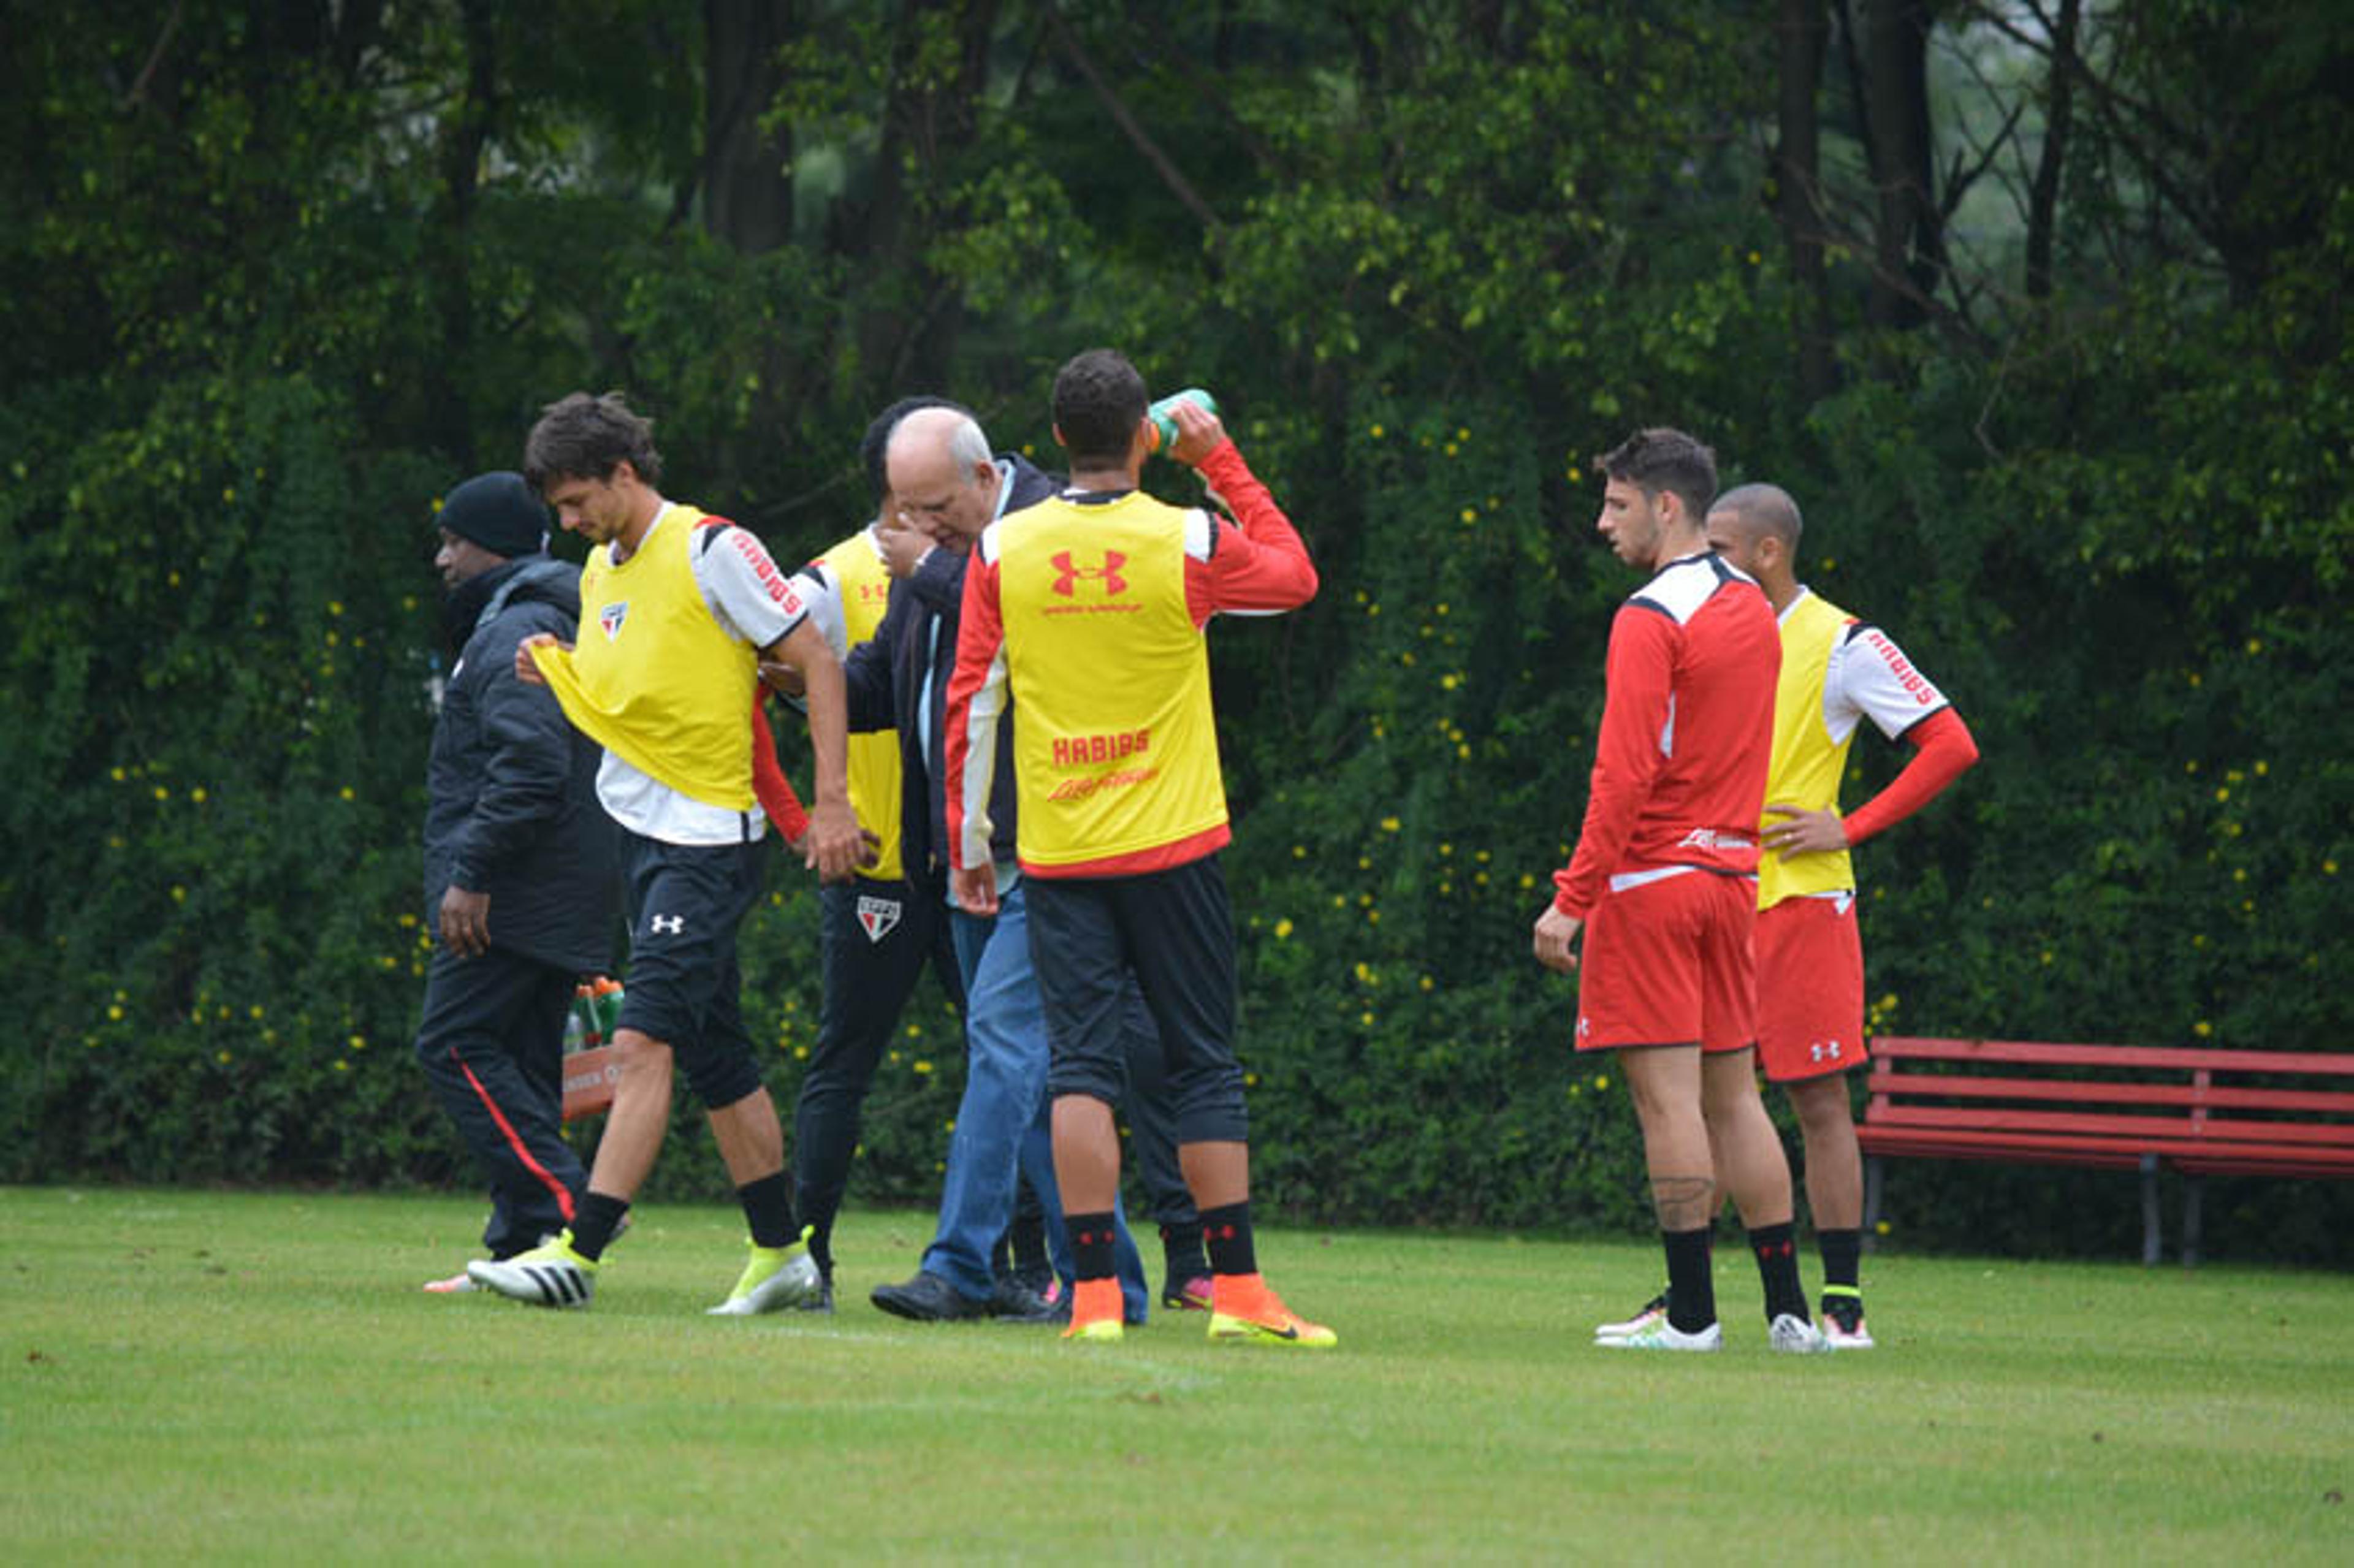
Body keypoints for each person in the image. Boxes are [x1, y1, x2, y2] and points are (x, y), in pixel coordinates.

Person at [943, 348, 1332, 1347]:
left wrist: (972, 842)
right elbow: (1296, 578)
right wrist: (1226, 463)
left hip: (1064, 852)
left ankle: (1098, 1299)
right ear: (1144, 438)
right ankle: (1237, 1293)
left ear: (1061, 437)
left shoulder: (1002, 550)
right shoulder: (1191, 539)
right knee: (1202, 1063)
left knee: (1080, 1071)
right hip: (1174, 843)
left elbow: (973, 700)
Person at [467, 392, 867, 1313]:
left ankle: (579, 1249)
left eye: (578, 503)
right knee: (717, 1051)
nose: (568, 525)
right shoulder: (603, 567)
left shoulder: (711, 548)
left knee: (645, 1038)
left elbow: (815, 660)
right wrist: (556, 665)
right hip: (642, 840)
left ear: (625, 472)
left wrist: (830, 806)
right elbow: (642, 684)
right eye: (559, 511)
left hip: (707, 842)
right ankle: (782, 1254)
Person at [1594, 482, 1979, 1350]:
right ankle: (1692, 1292)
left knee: (1814, 1099)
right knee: (1713, 1102)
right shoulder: (1707, 629)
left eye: (1723, 547)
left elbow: (1951, 742)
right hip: (1718, 890)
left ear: (1769, 552)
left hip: (1800, 900)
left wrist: (1850, 823)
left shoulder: (1842, 641)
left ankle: (1840, 1300)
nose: (1707, 561)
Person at [845, 402, 1153, 1325]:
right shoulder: (932, 549)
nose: (919, 524)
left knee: (1006, 1049)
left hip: (1051, 843)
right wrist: (781, 662)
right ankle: (1113, 1282)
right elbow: (878, 686)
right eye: (903, 508)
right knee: (1024, 1076)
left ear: (985, 479)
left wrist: (933, 569)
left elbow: (1040, 635)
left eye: (934, 505)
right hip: (966, 854)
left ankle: (960, 1267)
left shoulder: (1048, 527)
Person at [1529, 428, 1827, 1354]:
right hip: (1732, 879)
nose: (1601, 522)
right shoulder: (1751, 607)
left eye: (1617, 504)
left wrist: (1572, 897)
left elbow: (1623, 776)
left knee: (1669, 1107)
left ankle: (1693, 1315)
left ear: (1668, 507)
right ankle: (1790, 1311)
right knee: (1737, 1098)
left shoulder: (1649, 616)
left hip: (1653, 883)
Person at [782, 397, 973, 1310]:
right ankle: (805, 1256)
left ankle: (1010, 1264)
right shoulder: (830, 576)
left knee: (1008, 1059)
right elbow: (771, 668)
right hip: (881, 866)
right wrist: (816, 809)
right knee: (844, 1059)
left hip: (969, 862)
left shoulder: (977, 564)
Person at [413, 471, 618, 1293]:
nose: (441, 558)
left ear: (490, 545)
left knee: (454, 1043)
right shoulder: (550, 620)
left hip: (517, 890)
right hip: (566, 883)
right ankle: (522, 1252)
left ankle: (571, 1203)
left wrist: (473, 875)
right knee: (529, 1062)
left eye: (453, 541)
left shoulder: (512, 635)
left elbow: (530, 769)